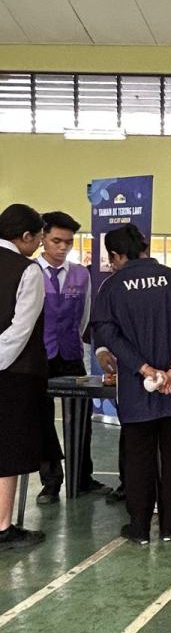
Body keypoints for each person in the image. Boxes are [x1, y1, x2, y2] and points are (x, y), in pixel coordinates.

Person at [91, 225, 171, 544]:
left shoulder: (111, 288)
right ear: (145, 247)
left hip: (136, 389)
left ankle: (139, 527)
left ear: (116, 255)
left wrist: (144, 368)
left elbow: (107, 332)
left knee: (138, 456)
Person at [35, 211, 106, 502]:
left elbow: (84, 316)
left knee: (81, 418)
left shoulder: (81, 274)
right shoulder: (30, 271)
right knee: (41, 418)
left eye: (68, 242)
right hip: (39, 355)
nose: (63, 247)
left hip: (71, 353)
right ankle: (51, 480)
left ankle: (83, 477)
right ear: (43, 238)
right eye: (57, 241)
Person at [0, 204, 47, 548]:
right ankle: (2, 527)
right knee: (8, 451)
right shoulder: (28, 271)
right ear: (25, 236)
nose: (41, 244)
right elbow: (21, 329)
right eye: (40, 237)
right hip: (14, 373)